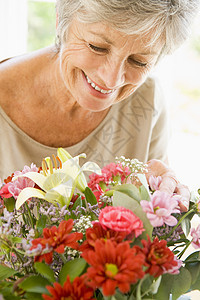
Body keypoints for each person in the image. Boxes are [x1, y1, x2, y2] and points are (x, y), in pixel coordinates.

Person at [0, 0, 199, 210]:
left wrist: (168, 195)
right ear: (61, 21)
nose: (111, 80)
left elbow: (149, 226)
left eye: (138, 61)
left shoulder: (146, 101)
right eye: (97, 47)